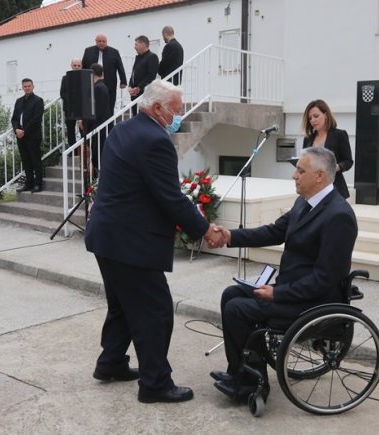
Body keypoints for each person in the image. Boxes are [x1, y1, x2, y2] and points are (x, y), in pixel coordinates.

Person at [85, 79, 225, 404]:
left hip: (106, 236)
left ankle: (110, 363)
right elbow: (170, 198)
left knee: (122, 306)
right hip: (130, 243)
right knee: (155, 312)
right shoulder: (156, 141)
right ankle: (155, 384)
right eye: (177, 110)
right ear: (158, 108)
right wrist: (205, 229)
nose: (180, 116)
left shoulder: (122, 129)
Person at [208, 147, 358, 399]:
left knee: (238, 309)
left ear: (320, 176)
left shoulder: (338, 215)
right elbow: (274, 232)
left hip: (312, 302)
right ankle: (239, 372)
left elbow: (325, 278)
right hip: (293, 290)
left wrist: (278, 293)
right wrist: (230, 236)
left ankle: (253, 384)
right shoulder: (305, 202)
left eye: (300, 171)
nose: (294, 176)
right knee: (231, 294)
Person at [302, 99, 353, 199]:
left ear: (325, 115)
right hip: (313, 189)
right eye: (310, 118)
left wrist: (336, 167)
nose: (313, 120)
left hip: (334, 188)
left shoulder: (339, 135)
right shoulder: (308, 139)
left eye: (316, 116)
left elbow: (348, 161)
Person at [11, 78, 44, 193]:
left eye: (29, 86)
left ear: (33, 86)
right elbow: (14, 118)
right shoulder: (19, 101)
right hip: (20, 136)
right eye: (25, 86)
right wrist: (16, 129)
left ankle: (38, 184)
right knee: (25, 161)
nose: (27, 88)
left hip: (33, 136)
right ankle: (29, 183)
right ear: (22, 87)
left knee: (35, 160)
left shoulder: (38, 100)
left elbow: (36, 118)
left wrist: (23, 131)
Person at [82, 33, 127, 113]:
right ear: (96, 41)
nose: (101, 43)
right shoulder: (88, 51)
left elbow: (120, 67)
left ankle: (110, 120)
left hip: (110, 83)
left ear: (106, 42)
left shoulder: (114, 52)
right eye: (99, 41)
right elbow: (84, 67)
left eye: (103, 41)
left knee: (109, 106)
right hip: (92, 84)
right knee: (94, 106)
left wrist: (123, 81)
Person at [81, 63, 111, 171]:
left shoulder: (97, 88)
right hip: (99, 125)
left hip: (98, 126)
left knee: (97, 156)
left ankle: (98, 176)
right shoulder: (102, 86)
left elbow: (95, 110)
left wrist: (85, 123)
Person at [128, 35, 159, 116]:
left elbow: (151, 76)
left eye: (136, 44)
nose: (134, 47)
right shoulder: (138, 58)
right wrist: (130, 86)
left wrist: (139, 88)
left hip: (145, 95)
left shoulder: (152, 57)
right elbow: (133, 74)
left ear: (143, 44)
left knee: (144, 118)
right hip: (135, 96)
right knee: (135, 117)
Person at [59, 57, 82, 147]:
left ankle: (85, 148)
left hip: (82, 108)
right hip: (69, 108)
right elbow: (62, 93)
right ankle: (73, 150)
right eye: (75, 65)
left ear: (81, 66)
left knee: (83, 129)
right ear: (71, 65)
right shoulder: (65, 78)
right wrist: (72, 100)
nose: (76, 67)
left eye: (78, 65)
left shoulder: (85, 77)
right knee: (70, 130)